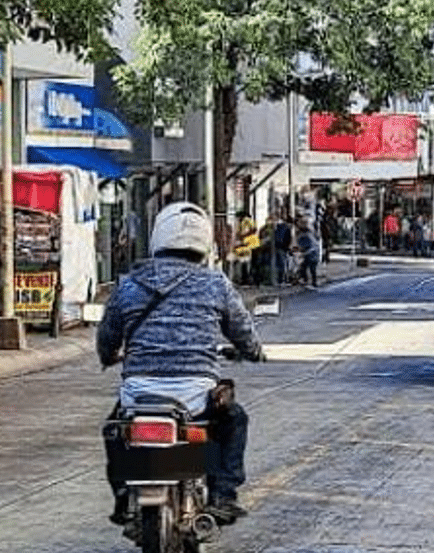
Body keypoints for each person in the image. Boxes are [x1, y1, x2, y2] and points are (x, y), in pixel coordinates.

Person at [97, 202, 263, 527]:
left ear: (158, 237)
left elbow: (107, 335)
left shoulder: (129, 284)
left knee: (114, 431)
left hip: (139, 392)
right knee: (234, 420)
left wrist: (108, 356)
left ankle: (122, 497)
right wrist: (252, 351)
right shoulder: (216, 284)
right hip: (195, 394)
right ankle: (223, 497)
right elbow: (242, 329)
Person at [296, 220, 321, 288]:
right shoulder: (311, 233)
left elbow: (304, 246)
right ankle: (313, 282)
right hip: (315, 253)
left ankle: (306, 280)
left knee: (303, 267)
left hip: (310, 253)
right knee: (312, 269)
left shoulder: (304, 235)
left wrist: (301, 252)